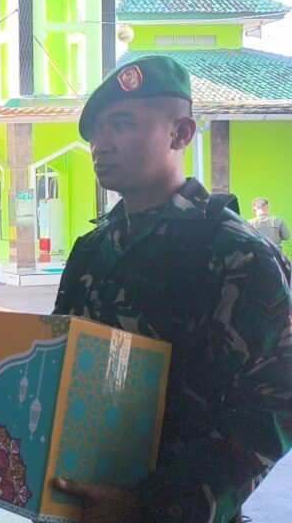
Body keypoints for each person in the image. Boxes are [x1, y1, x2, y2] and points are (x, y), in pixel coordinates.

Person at [52, 56, 292, 523]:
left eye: (121, 124)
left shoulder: (236, 254)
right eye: (95, 131)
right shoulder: (91, 249)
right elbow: (60, 369)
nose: (101, 144)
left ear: (181, 133)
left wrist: (151, 506)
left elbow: (273, 407)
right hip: (78, 501)